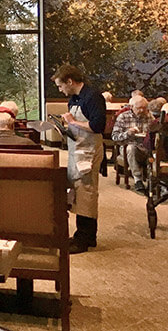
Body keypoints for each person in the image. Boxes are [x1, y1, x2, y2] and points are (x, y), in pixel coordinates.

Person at [52, 64, 105, 254]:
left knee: (87, 193)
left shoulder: (92, 97)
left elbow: (98, 126)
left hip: (89, 151)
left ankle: (85, 239)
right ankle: (85, 236)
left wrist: (73, 122)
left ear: (70, 81)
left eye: (60, 86)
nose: (60, 90)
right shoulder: (74, 99)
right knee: (78, 191)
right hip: (77, 149)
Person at [111, 95, 153, 192]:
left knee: (158, 151)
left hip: (145, 147)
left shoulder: (149, 116)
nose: (142, 111)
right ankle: (137, 179)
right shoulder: (123, 117)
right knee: (131, 148)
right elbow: (114, 137)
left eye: (144, 108)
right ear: (131, 107)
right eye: (139, 108)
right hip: (127, 146)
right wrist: (128, 133)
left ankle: (155, 181)